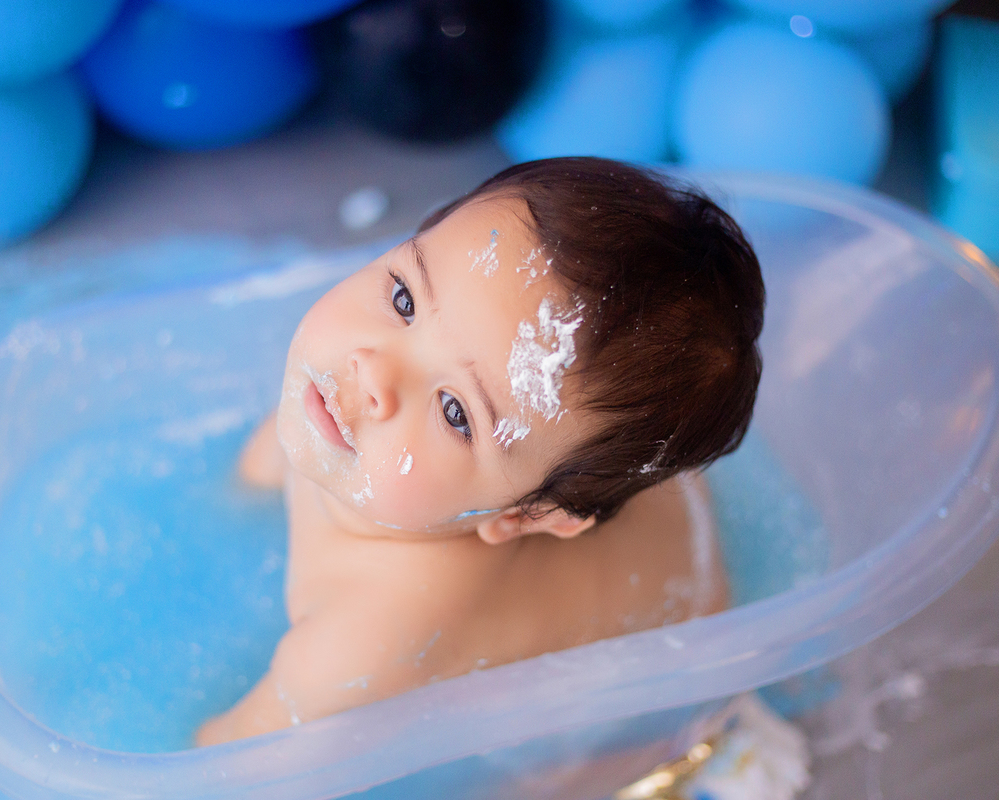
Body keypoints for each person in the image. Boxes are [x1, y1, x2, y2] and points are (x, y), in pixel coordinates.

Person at [196, 157, 764, 745]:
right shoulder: (335, 405)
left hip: (674, 645)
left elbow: (223, 768)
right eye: (404, 300)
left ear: (519, 516)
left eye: (455, 413)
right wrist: (233, 497)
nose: (372, 371)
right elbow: (266, 462)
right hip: (617, 482)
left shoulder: (363, 643)